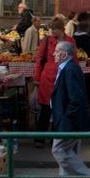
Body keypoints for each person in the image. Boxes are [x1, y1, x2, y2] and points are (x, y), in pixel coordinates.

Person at [48, 41, 90, 178]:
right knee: (67, 151)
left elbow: (76, 97)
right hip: (68, 118)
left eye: (56, 51)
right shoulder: (68, 68)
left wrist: (67, 117)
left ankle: (85, 177)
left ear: (64, 54)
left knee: (59, 149)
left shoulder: (70, 69)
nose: (53, 54)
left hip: (69, 120)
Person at [33, 17, 76, 148]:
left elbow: (75, 59)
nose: (52, 32)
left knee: (60, 109)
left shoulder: (71, 41)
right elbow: (39, 60)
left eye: (55, 30)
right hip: (47, 79)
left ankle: (55, 139)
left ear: (62, 29)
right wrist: (36, 79)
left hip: (63, 78)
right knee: (45, 110)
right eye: (51, 30)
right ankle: (39, 139)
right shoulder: (46, 41)